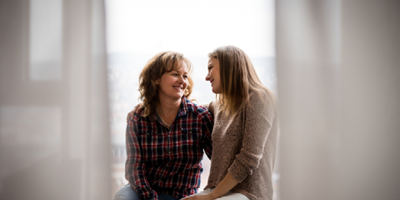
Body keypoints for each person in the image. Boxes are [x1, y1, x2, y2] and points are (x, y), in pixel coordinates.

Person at [182, 46, 279, 200]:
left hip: (249, 194)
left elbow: (249, 158)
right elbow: (193, 109)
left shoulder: (259, 99)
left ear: (228, 67)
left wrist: (212, 195)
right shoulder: (220, 105)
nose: (207, 77)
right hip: (219, 191)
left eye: (210, 68)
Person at [114, 51, 214, 200]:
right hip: (142, 190)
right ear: (156, 79)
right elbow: (134, 167)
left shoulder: (200, 117)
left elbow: (219, 159)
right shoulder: (137, 118)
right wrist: (150, 197)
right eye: (175, 74)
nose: (182, 80)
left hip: (179, 194)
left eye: (185, 76)